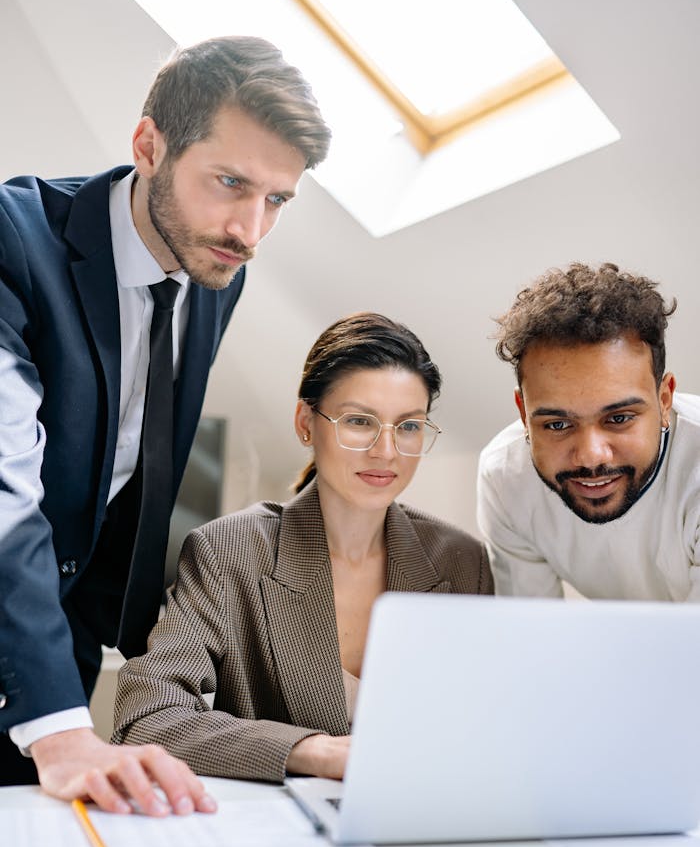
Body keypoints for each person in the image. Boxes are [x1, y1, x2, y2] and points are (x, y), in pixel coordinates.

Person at [0, 35, 331, 810]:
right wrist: (58, 728)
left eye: (277, 200)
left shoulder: (215, 271)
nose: (251, 230)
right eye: (230, 183)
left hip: (59, 649)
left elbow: (130, 477)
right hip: (37, 679)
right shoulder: (12, 241)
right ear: (150, 146)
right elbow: (5, 488)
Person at [112, 313, 494, 782]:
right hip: (285, 831)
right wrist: (308, 752)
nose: (386, 451)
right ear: (305, 423)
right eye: (359, 421)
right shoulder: (229, 550)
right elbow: (146, 719)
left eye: (409, 426)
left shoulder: (461, 560)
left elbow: (485, 722)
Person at [477, 261, 700, 600]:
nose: (591, 455)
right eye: (558, 424)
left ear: (664, 400)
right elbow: (532, 631)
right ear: (524, 415)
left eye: (619, 418)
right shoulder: (505, 476)